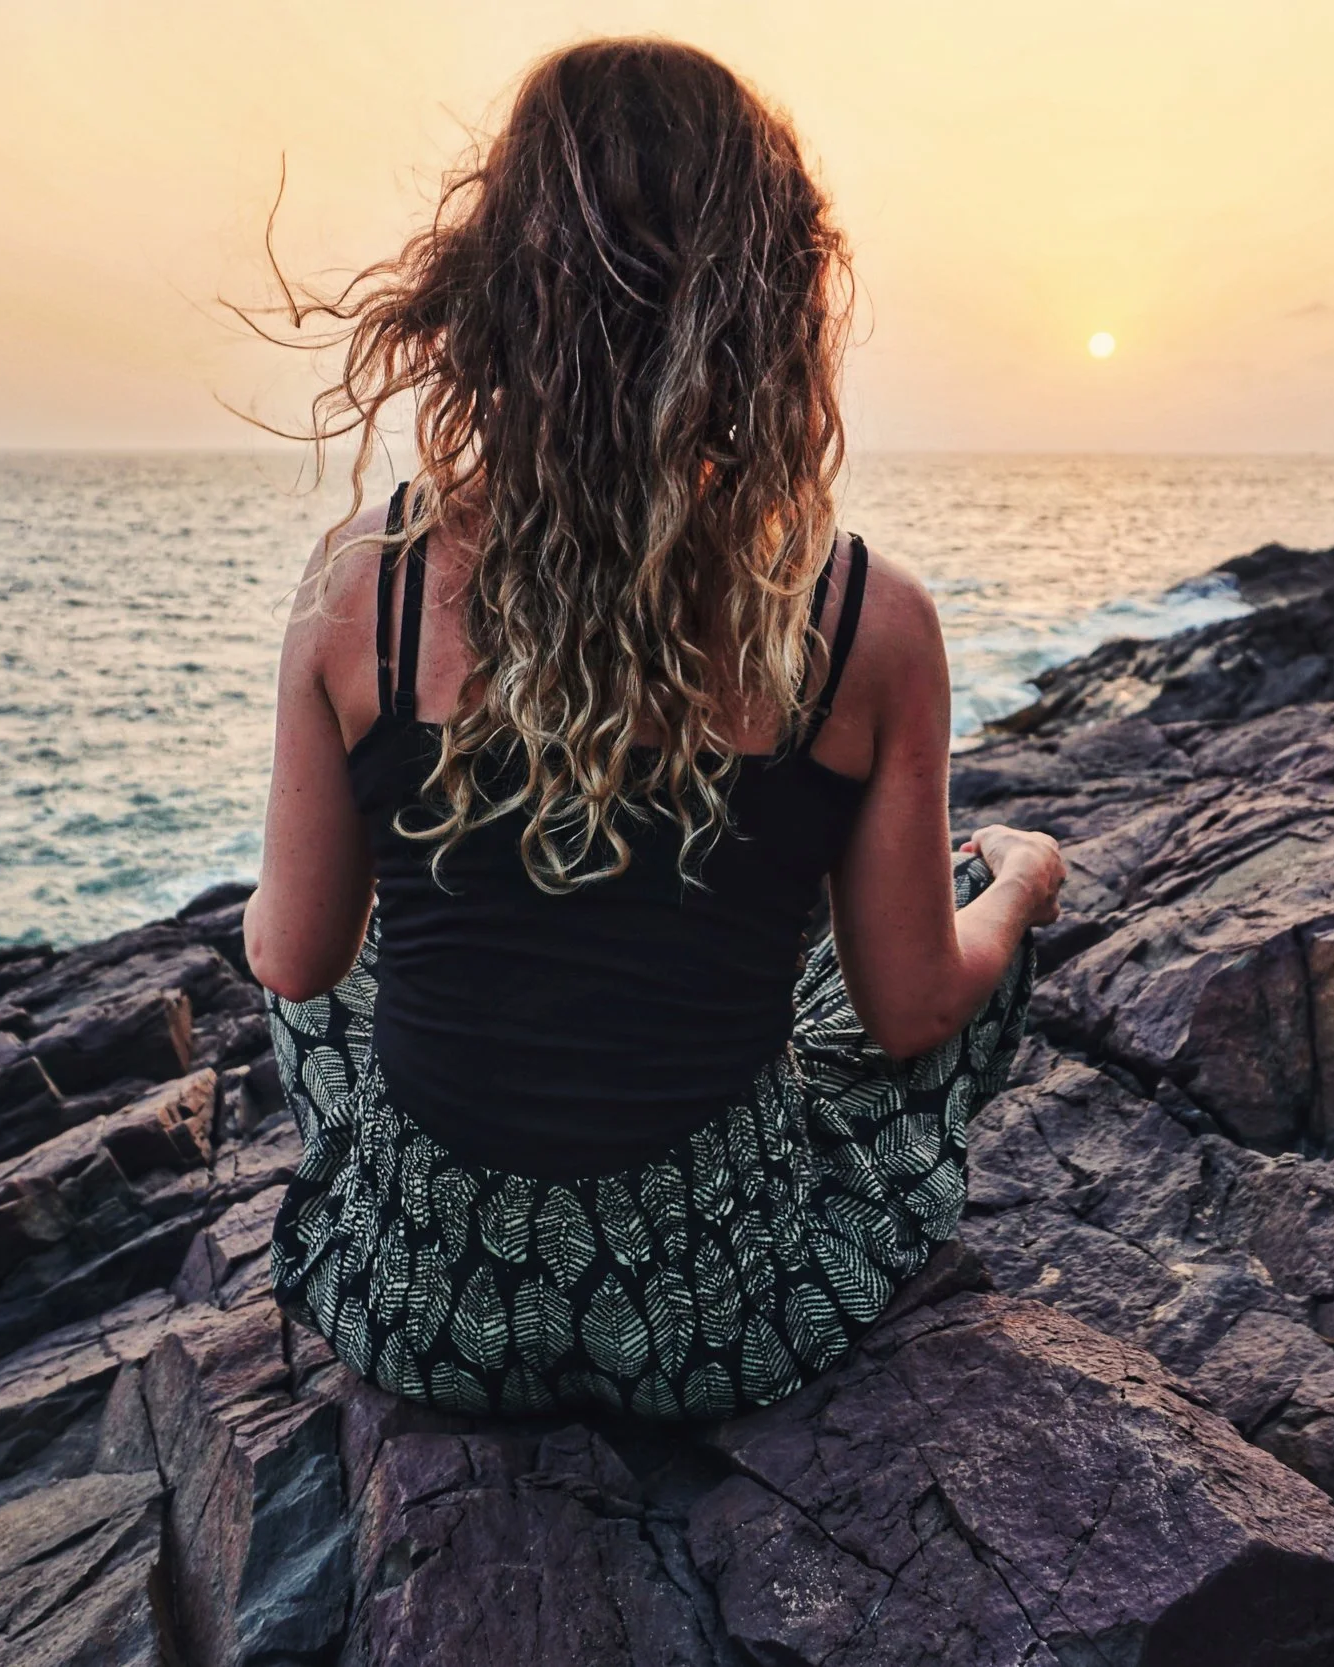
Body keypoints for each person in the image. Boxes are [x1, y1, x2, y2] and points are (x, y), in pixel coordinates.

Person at [242, 37, 1064, 1420]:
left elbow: (293, 956)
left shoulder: (359, 588)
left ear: (493, 286)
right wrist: (1027, 880)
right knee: (957, 904)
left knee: (348, 967)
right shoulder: (868, 616)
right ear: (770, 303)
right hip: (717, 1314)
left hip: (425, 1305)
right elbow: (911, 1003)